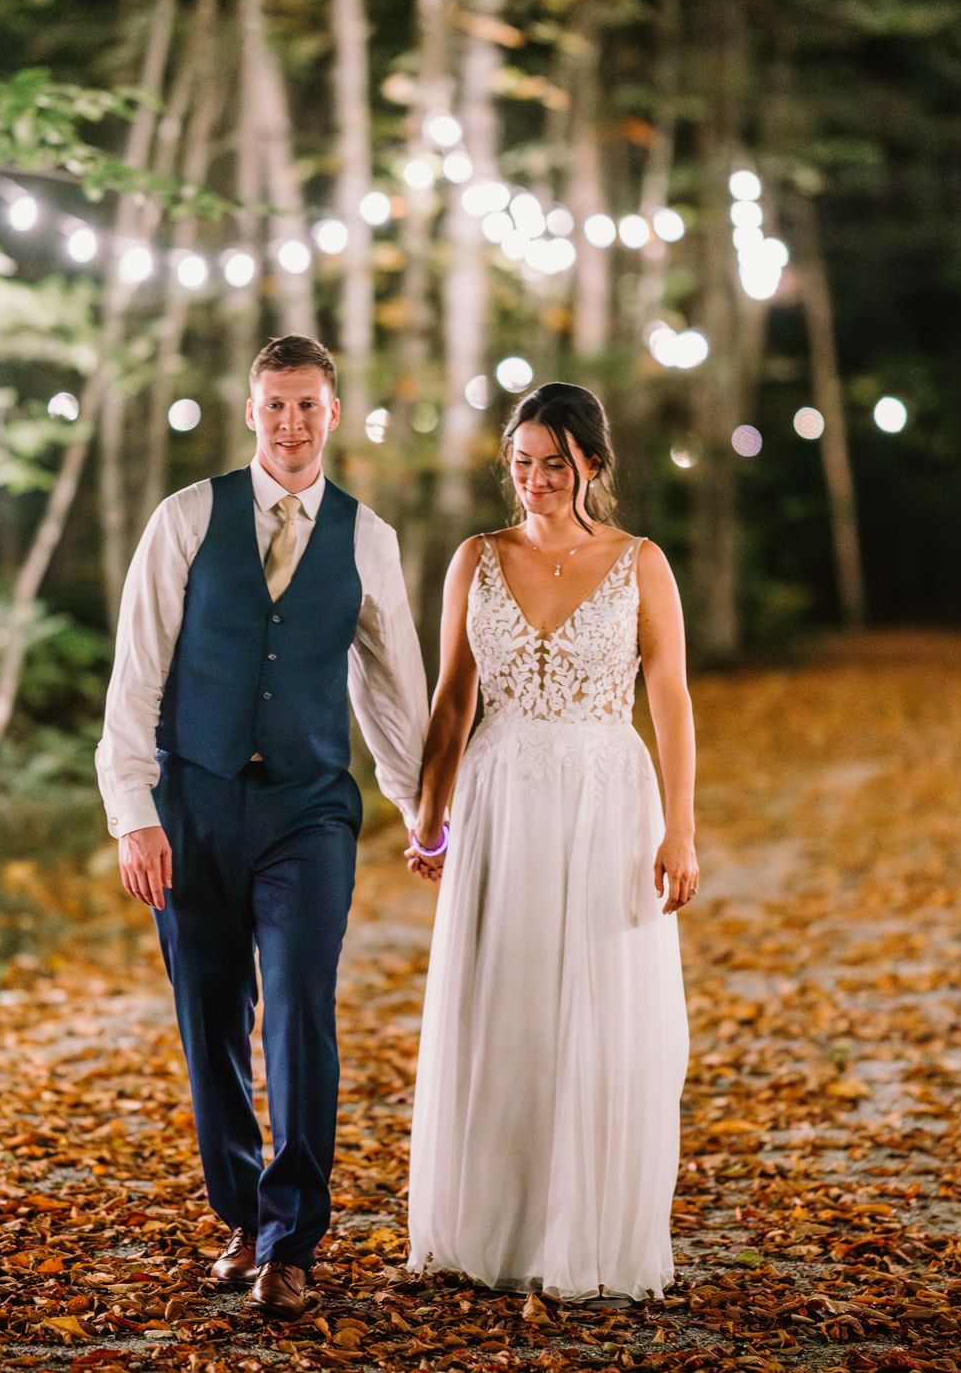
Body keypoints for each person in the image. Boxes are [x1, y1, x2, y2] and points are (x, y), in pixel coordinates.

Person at [94, 335, 429, 1319]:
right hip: (193, 806)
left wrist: (425, 811)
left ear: (335, 414)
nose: (291, 425)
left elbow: (394, 687)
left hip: (309, 809)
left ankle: (292, 1236)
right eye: (275, 405)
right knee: (210, 1021)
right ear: (251, 411)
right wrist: (133, 813)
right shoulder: (186, 517)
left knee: (297, 1008)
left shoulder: (369, 538)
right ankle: (241, 1212)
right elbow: (138, 673)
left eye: (308, 407)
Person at [403, 381, 697, 1304]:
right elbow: (454, 696)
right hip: (499, 796)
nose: (534, 481)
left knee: (596, 1009)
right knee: (507, 1003)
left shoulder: (641, 561)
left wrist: (681, 829)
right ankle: (496, 1223)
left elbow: (672, 699)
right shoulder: (475, 558)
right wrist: (428, 810)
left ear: (592, 467)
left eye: (554, 465)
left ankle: (588, 1230)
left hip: (608, 797)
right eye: (522, 463)